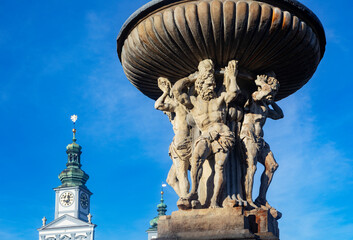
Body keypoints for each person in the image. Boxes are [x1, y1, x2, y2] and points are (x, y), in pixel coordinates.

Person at [173, 59, 240, 208]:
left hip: (223, 135)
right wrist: (192, 78)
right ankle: (194, 192)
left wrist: (233, 76)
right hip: (205, 135)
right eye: (209, 84)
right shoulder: (194, 102)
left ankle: (215, 201)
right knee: (196, 157)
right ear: (200, 85)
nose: (212, 86)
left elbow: (234, 92)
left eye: (213, 84)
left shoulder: (219, 99)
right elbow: (176, 91)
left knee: (220, 166)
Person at [240, 75, 284, 209]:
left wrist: (272, 101)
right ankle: (248, 199)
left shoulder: (265, 106)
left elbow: (279, 115)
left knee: (272, 166)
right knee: (251, 167)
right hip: (248, 135)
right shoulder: (255, 96)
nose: (273, 93)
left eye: (275, 91)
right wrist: (261, 84)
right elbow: (262, 93)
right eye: (273, 90)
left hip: (260, 140)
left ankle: (261, 199)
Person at [155, 77, 192, 208]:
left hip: (182, 141)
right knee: (170, 179)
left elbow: (157, 105)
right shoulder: (179, 110)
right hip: (180, 141)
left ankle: (186, 199)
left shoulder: (177, 105)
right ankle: (187, 197)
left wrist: (164, 92)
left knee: (181, 175)